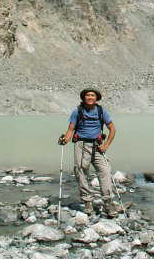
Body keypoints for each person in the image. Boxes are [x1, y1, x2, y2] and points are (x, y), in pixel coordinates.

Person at [58, 88, 118, 217]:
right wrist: (66, 140)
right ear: (84, 98)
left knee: (105, 171)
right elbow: (70, 130)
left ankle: (107, 202)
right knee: (80, 171)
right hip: (81, 144)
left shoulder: (102, 112)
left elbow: (112, 129)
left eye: (92, 95)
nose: (90, 97)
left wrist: (106, 145)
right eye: (88, 95)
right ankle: (87, 201)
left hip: (98, 145)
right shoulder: (77, 111)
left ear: (96, 98)